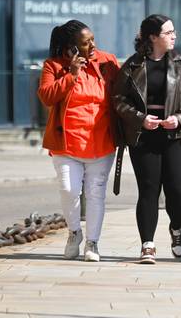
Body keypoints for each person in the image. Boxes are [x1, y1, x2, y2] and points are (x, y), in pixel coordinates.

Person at [113, 14, 181, 264]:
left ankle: (176, 227)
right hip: (144, 136)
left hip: (176, 135)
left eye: (174, 31)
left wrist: (180, 118)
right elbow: (119, 100)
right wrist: (140, 118)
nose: (174, 36)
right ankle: (147, 245)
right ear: (153, 37)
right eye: (168, 32)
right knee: (149, 191)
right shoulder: (132, 66)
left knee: (178, 192)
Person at [38, 20, 120, 262]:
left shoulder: (107, 62)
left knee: (96, 193)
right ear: (71, 47)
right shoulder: (53, 65)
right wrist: (72, 74)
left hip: (101, 141)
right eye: (86, 43)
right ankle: (74, 233)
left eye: (93, 39)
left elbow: (123, 94)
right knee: (69, 189)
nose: (93, 45)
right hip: (66, 143)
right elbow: (46, 96)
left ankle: (92, 244)